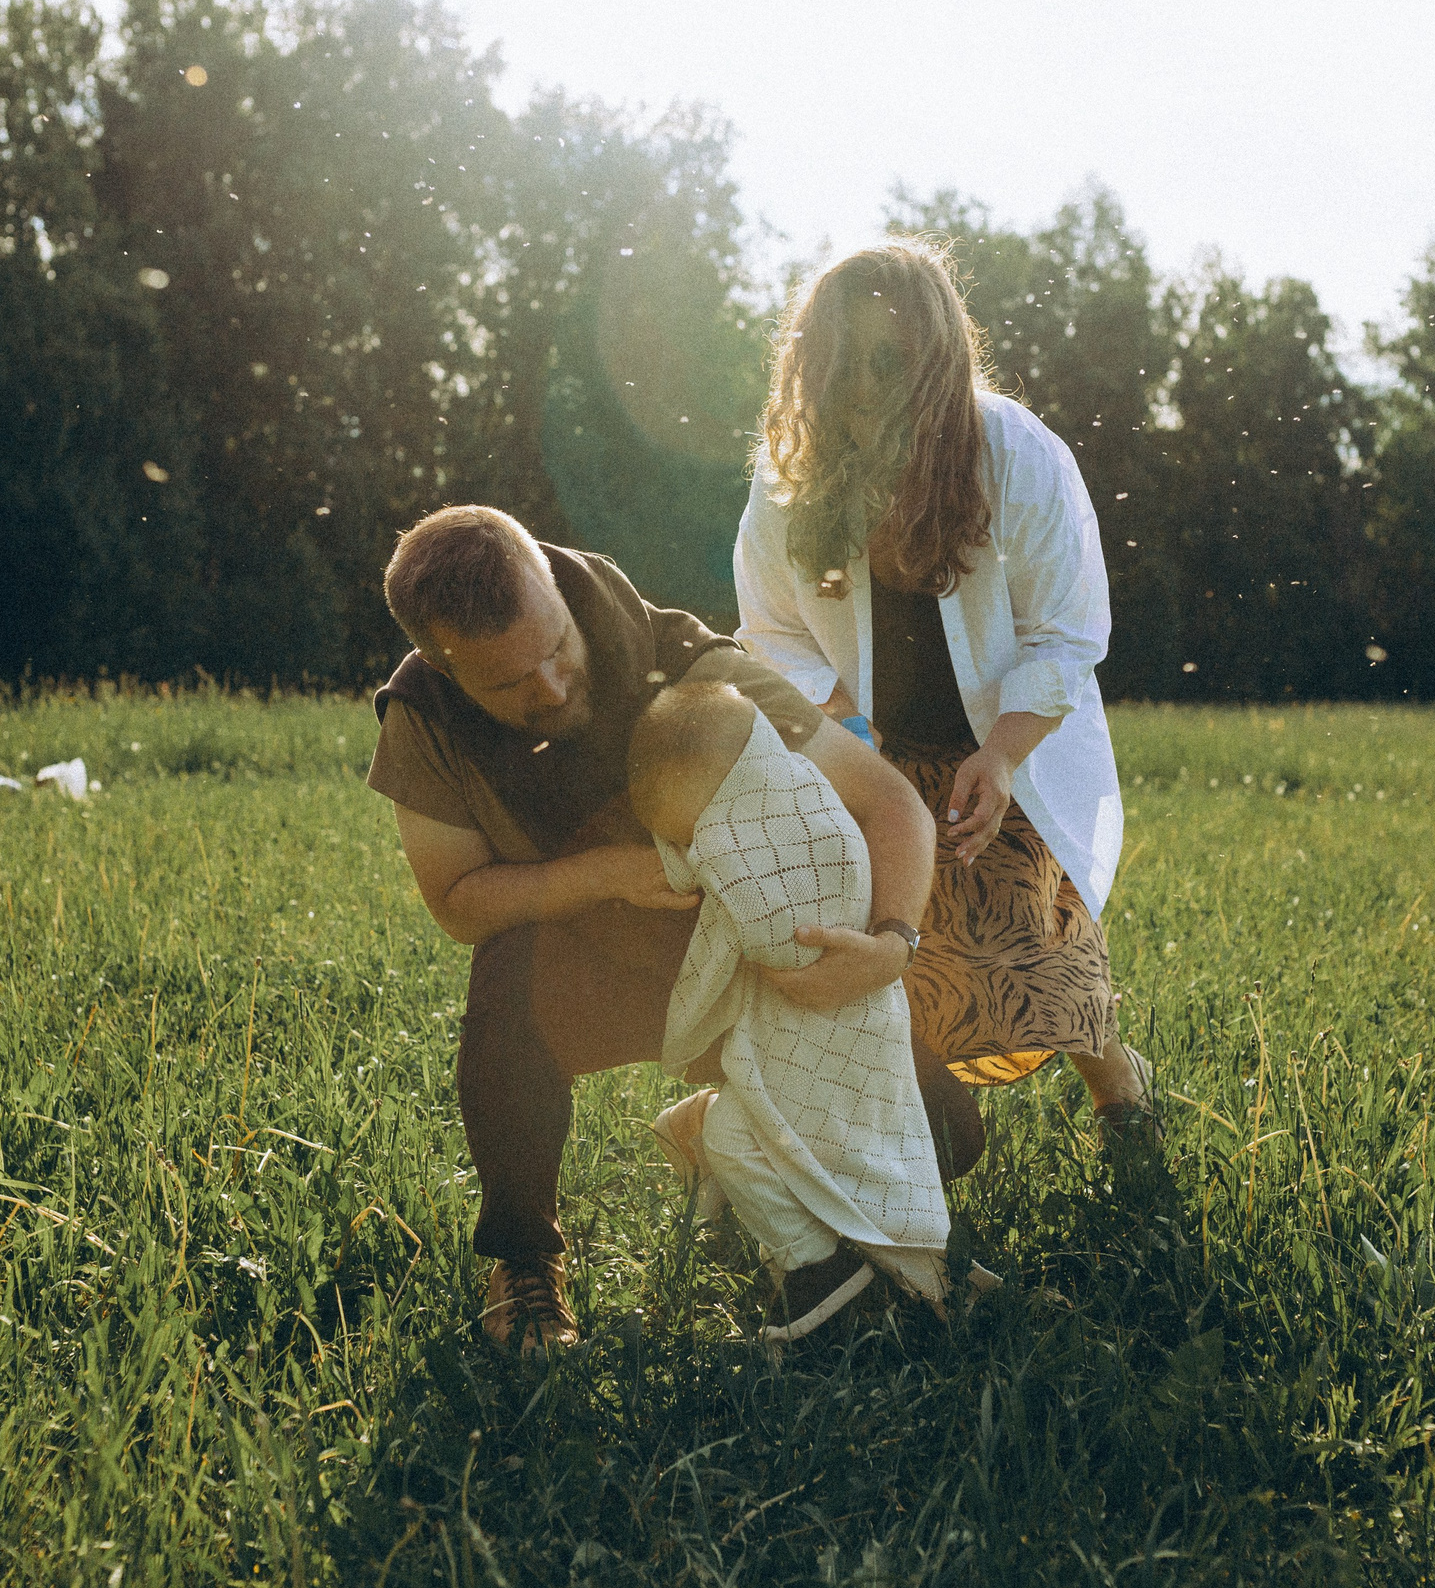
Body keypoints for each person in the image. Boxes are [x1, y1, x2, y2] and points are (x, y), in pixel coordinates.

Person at [365, 504, 953, 1353]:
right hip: (577, 965)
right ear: (442, 666)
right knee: (504, 987)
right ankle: (523, 1258)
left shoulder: (692, 662)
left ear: (557, 589)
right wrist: (606, 876)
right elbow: (458, 902)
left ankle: (720, 1130)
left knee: (945, 1136)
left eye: (558, 649)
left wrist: (892, 943)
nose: (553, 689)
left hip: (736, 963)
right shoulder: (418, 712)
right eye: (509, 683)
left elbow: (891, 802)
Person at [733, 239, 1154, 1135]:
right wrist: (846, 746)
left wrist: (1000, 759)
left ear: (936, 364)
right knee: (906, 953)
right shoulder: (791, 474)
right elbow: (771, 632)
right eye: (844, 366)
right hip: (874, 750)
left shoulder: (1015, 453)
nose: (863, 392)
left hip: (1012, 744)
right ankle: (909, 1143)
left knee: (1036, 945)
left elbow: (1066, 630)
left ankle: (1122, 1093)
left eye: (890, 365)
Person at [628, 680, 951, 1341]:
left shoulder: (770, 839)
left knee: (753, 1139)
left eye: (693, 832)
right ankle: (831, 1266)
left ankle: (818, 1265)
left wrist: (684, 860)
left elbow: (763, 935)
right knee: (768, 1137)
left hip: (831, 1027)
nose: (697, 849)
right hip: (834, 1032)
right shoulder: (804, 795)